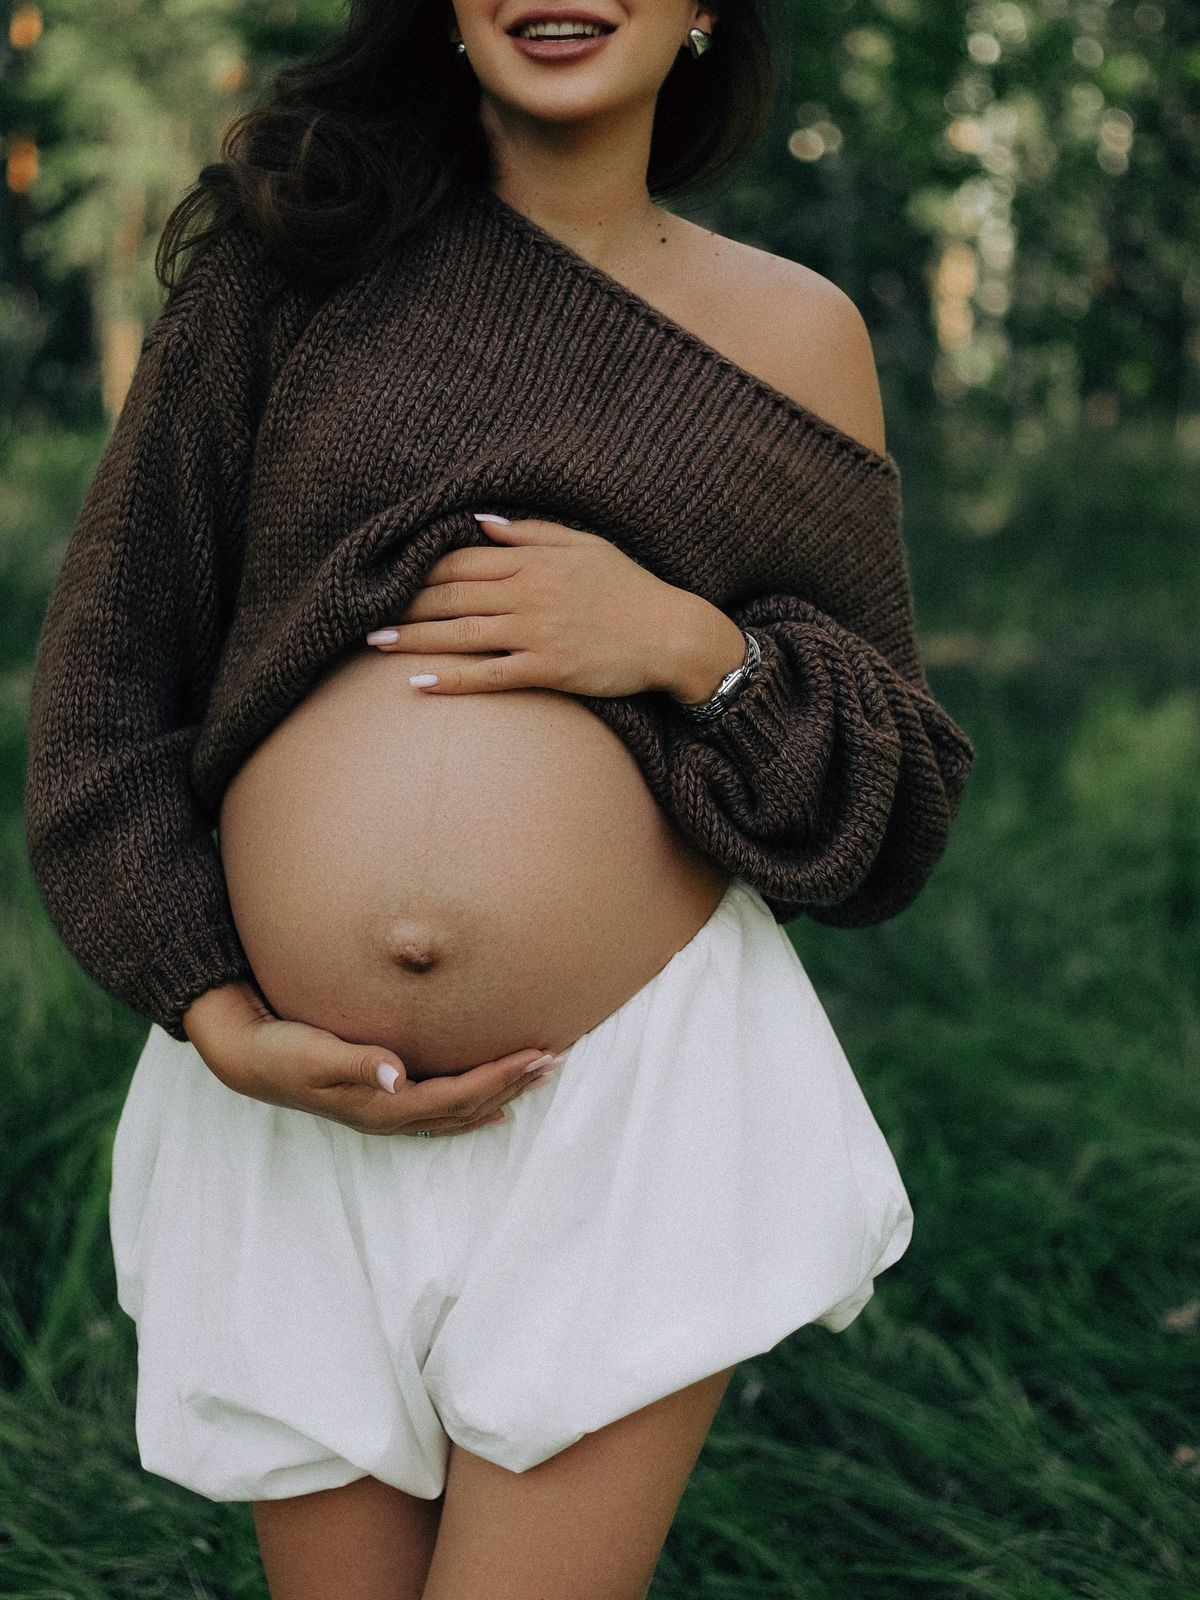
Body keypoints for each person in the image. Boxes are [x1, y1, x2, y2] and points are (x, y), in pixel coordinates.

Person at [23, 2, 976, 1596]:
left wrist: (688, 643)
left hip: (625, 1111)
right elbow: (109, 670)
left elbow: (891, 805)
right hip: (289, 1108)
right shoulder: (295, 260)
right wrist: (209, 1010)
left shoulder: (793, 333)